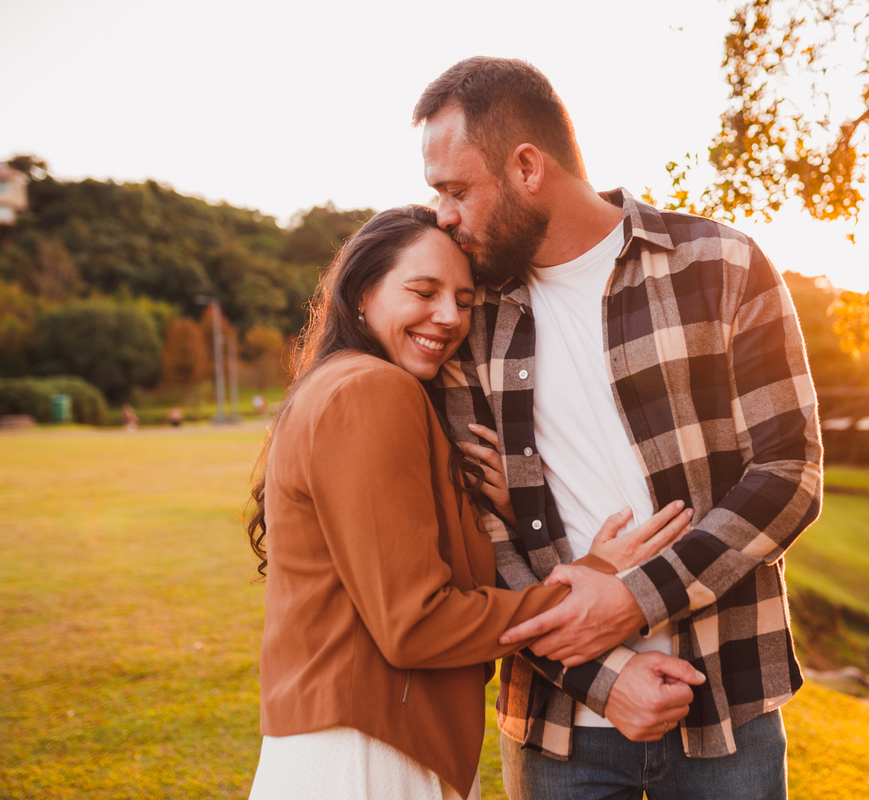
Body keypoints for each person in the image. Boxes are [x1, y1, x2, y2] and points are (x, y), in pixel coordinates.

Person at [415, 58, 823, 800]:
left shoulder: (720, 263)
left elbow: (790, 474)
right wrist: (604, 679)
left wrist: (637, 597)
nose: (443, 214)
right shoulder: (466, 314)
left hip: (726, 704)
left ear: (527, 167)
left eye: (456, 190)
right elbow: (482, 530)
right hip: (558, 727)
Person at [243, 205, 704, 800]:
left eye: (463, 300)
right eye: (423, 291)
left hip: (348, 737)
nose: (448, 317)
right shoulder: (373, 390)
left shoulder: (335, 383)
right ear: (361, 294)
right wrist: (592, 576)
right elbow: (416, 623)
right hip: (367, 750)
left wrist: (508, 514)